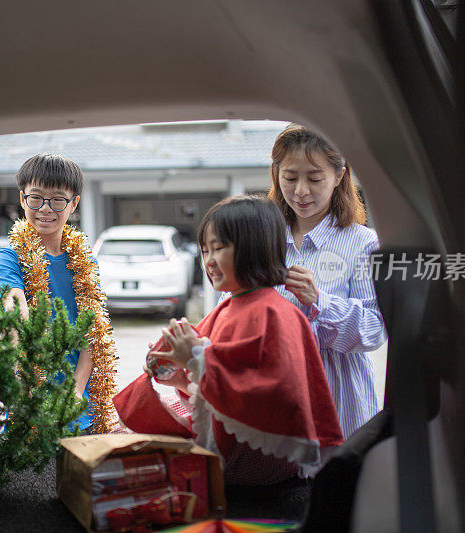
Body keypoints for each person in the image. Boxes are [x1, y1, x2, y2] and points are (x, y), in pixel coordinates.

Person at [113, 196, 343, 485]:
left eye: (219, 248)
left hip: (255, 467)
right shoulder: (229, 306)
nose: (209, 260)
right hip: (230, 454)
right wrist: (180, 377)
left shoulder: (276, 313)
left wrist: (195, 355)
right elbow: (224, 385)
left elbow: (268, 392)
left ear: (255, 249)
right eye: (205, 250)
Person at [268, 123, 388, 438]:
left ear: (339, 176)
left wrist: (320, 301)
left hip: (339, 401)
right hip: (273, 397)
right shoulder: (264, 240)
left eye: (315, 178)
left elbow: (375, 330)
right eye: (290, 178)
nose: (301, 190)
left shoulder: (362, 243)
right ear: (276, 175)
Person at [0, 153, 117, 434]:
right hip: (31, 405)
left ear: (73, 204)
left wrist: (75, 392)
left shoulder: (87, 263)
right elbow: (16, 314)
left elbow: (93, 333)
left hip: (83, 407)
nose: (45, 208)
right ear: (23, 199)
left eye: (57, 199)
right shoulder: (8, 258)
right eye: (36, 198)